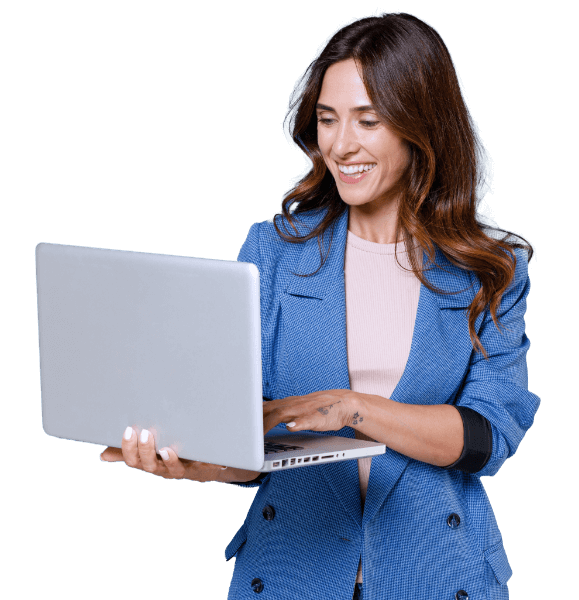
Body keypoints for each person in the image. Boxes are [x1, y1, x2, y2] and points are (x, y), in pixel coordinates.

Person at [101, 12, 539, 600]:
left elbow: (487, 437)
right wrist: (193, 464)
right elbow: (245, 437)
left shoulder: (492, 265)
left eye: (369, 120)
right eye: (328, 120)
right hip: (289, 573)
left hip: (437, 573)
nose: (340, 145)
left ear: (421, 127)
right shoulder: (274, 249)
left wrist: (351, 408)